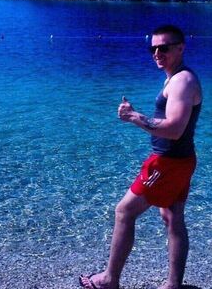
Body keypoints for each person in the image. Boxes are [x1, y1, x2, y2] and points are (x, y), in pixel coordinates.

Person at [80, 25, 202, 289]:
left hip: (167, 163)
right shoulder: (176, 78)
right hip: (181, 160)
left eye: (164, 48)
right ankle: (173, 284)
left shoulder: (182, 81)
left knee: (124, 211)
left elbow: (174, 129)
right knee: (172, 217)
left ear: (181, 48)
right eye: (153, 48)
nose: (157, 53)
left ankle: (109, 280)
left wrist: (134, 117)